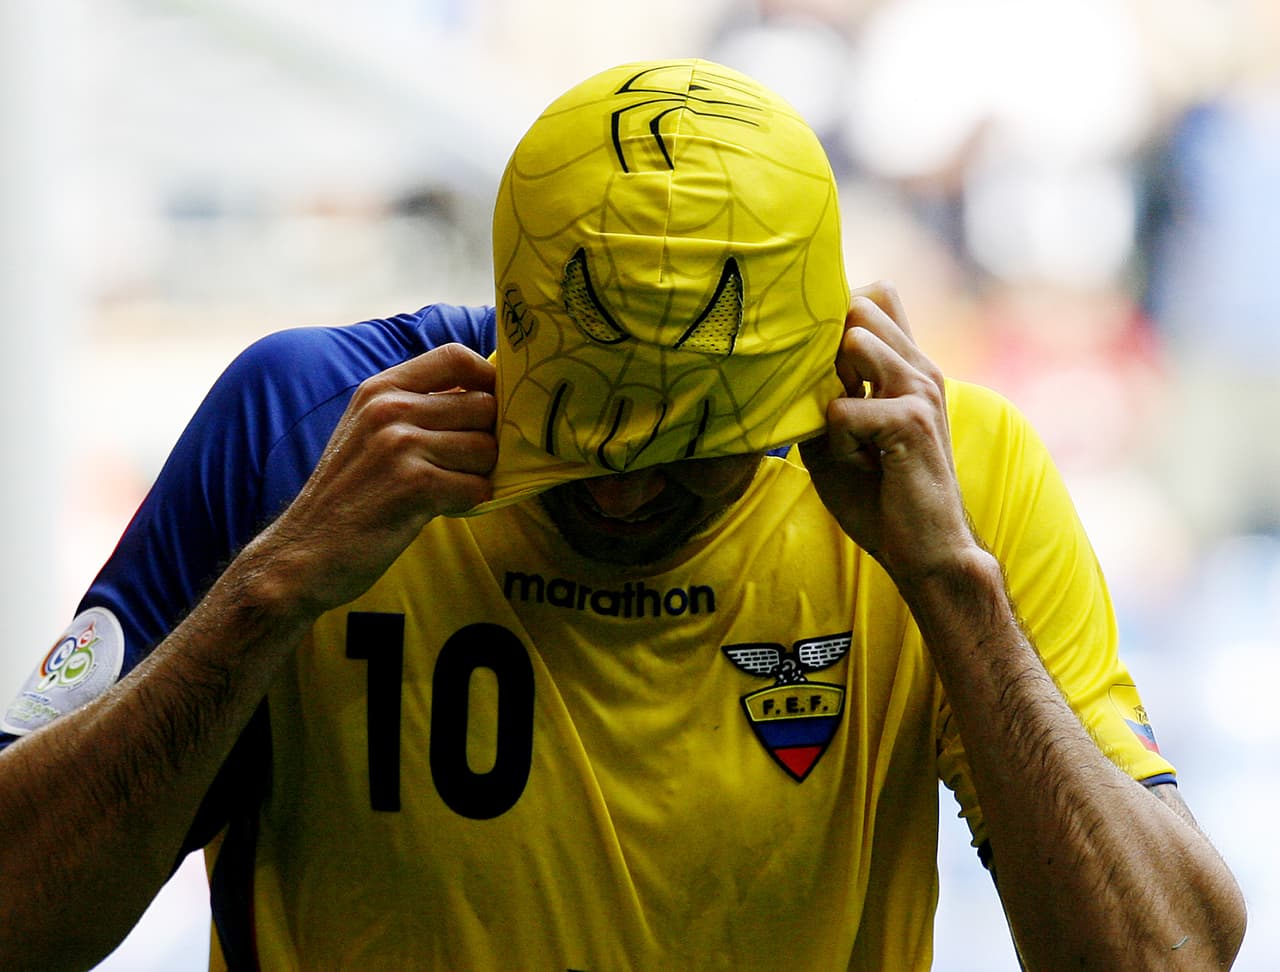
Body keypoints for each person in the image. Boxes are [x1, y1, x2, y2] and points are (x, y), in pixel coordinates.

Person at [0, 59, 1245, 971]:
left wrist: (953, 594)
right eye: (581, 434)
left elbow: (1167, 958)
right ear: (510, 335)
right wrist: (265, 597)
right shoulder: (311, 432)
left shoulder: (940, 479)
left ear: (811, 382)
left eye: (696, 449)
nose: (632, 486)